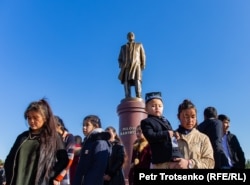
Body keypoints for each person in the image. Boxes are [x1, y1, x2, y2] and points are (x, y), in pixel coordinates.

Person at [4, 98, 69, 185]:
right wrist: (9, 177)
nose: (31, 121)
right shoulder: (22, 137)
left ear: (45, 118)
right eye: (29, 118)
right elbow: (9, 159)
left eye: (35, 117)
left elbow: (63, 160)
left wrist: (49, 176)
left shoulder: (54, 137)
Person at [168, 99, 215, 169]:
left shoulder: (203, 138)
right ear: (178, 117)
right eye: (186, 116)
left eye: (193, 117)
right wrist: (170, 165)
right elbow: (159, 161)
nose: (190, 120)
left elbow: (210, 163)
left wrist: (189, 163)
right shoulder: (171, 137)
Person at [140, 92, 181, 169]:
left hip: (174, 155)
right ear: (146, 109)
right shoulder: (146, 122)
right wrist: (166, 134)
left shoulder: (166, 120)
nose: (157, 108)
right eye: (153, 106)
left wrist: (175, 133)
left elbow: (170, 131)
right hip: (161, 159)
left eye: (160, 106)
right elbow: (150, 136)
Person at [73, 115, 112, 185]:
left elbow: (98, 169)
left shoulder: (100, 143)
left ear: (96, 126)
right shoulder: (88, 142)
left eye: (87, 125)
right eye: (83, 125)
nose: (84, 128)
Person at [118, 32, 146, 98]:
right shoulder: (123, 47)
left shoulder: (139, 45)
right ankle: (127, 96)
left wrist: (143, 64)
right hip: (126, 66)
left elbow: (143, 55)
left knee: (137, 80)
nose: (131, 36)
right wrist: (122, 65)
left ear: (134, 36)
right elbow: (119, 58)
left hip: (136, 65)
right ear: (127, 37)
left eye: (132, 35)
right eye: (129, 35)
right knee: (126, 81)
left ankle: (138, 95)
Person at [55, 115, 75, 185]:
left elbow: (70, 158)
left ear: (59, 126)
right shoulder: (53, 138)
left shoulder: (69, 137)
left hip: (63, 175)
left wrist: (58, 177)